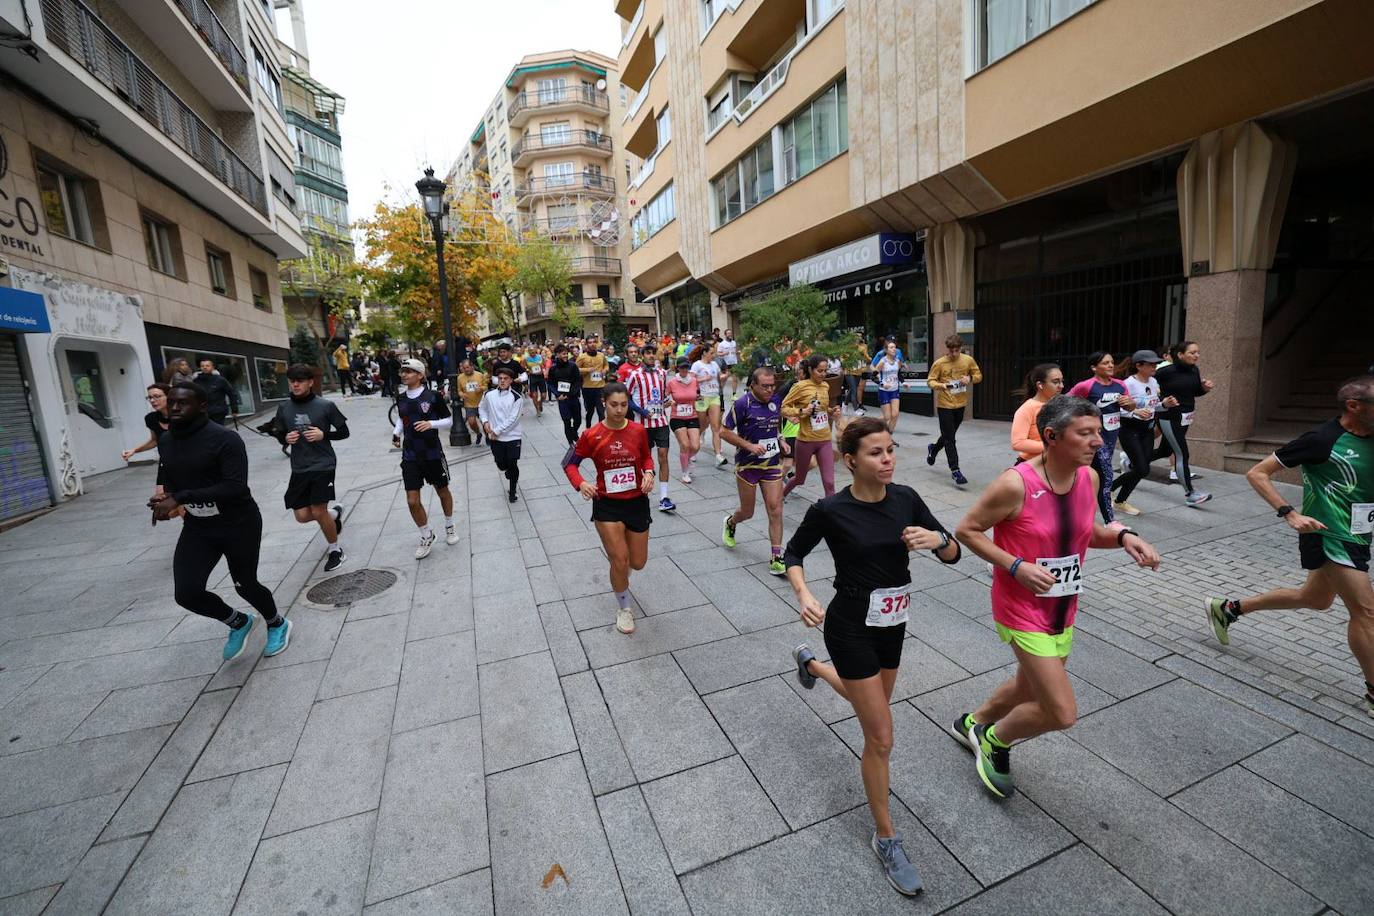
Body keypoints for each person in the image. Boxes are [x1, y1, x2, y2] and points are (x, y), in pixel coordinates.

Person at [953, 395, 1161, 798]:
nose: (1098, 441)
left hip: (1063, 606)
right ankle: (994, 739)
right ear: (1051, 436)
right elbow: (967, 530)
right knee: (1061, 712)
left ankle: (971, 723)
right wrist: (1016, 566)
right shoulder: (1015, 483)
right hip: (1021, 607)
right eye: (1085, 433)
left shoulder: (1090, 478)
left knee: (1027, 688)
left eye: (1098, 432)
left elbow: (1084, 534)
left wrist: (1124, 536)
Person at [787, 417, 961, 896]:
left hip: (893, 623)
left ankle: (813, 667)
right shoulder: (830, 509)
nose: (887, 460)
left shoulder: (906, 498)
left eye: (890, 450)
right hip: (849, 625)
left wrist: (939, 541)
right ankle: (886, 837)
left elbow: (954, 553)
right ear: (850, 461)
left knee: (875, 709)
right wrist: (803, 593)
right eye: (875, 453)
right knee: (880, 736)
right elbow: (793, 554)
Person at [1205, 375, 1374, 716]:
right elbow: (1257, 473)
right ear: (1354, 407)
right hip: (1328, 534)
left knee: (1314, 598)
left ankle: (1228, 609)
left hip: (1358, 534)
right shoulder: (1322, 439)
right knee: (1367, 612)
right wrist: (1289, 513)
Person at [150, 381, 292, 660]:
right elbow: (170, 475)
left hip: (238, 522)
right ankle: (238, 622)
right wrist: (164, 501)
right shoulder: (166, 440)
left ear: (202, 406)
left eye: (183, 402)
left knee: (245, 584)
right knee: (187, 593)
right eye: (172, 401)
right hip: (198, 526)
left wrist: (181, 496)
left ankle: (277, 623)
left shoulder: (225, 439)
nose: (174, 407)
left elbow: (235, 487)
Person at [562, 383, 656, 634]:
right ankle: (624, 608)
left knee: (637, 562)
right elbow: (569, 464)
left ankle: (620, 577)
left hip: (637, 502)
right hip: (607, 505)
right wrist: (580, 483)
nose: (619, 410)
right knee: (619, 559)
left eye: (624, 405)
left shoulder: (638, 431)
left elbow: (647, 457)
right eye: (614, 404)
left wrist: (649, 472)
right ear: (604, 403)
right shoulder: (591, 435)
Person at [276, 364, 349, 572]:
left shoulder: (325, 406)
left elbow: (344, 432)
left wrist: (323, 435)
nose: (295, 384)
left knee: (318, 510)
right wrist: (285, 438)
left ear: (310, 382)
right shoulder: (283, 408)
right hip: (299, 467)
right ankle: (334, 514)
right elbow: (280, 432)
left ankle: (335, 550)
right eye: (292, 381)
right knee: (302, 516)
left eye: (299, 380)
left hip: (323, 464)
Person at [721, 366, 790, 574]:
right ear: (753, 385)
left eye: (772, 386)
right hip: (748, 465)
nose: (770, 390)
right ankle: (731, 522)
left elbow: (775, 426)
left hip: (771, 464)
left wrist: (781, 440)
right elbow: (723, 432)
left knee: (775, 509)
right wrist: (749, 446)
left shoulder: (775, 401)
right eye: (765, 386)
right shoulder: (742, 404)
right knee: (747, 512)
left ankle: (776, 557)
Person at [392, 357, 459, 558]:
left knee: (442, 491)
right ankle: (427, 533)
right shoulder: (401, 398)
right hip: (410, 454)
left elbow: (449, 420)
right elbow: (402, 418)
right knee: (412, 500)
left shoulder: (433, 396)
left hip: (432, 453)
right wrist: (397, 433)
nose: (404, 374)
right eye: (403, 371)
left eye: (409, 371)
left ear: (420, 375)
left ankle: (449, 524)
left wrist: (431, 424)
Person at [1067, 352, 1135, 525]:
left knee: (1085, 477)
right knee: (1106, 477)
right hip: (1093, 440)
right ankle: (1110, 521)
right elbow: (1065, 401)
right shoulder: (1086, 386)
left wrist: (1129, 404)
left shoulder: (1120, 385)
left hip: (1111, 438)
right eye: (1105, 363)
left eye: (1112, 362)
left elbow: (1131, 406)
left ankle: (1072, 510)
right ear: (1094, 367)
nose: (1111, 365)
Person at [1110, 349, 1178, 517]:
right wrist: (1135, 413)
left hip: (1147, 430)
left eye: (1155, 363)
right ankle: (1108, 490)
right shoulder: (1127, 384)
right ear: (1139, 366)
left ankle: (1118, 501)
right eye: (1151, 364)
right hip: (1129, 429)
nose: (1155, 366)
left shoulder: (1154, 382)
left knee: (1142, 469)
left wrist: (1165, 404)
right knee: (1142, 468)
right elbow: (1116, 409)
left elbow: (1154, 406)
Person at [1152, 341, 1214, 507]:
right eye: (1192, 352)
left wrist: (1204, 389)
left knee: (1165, 450)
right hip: (1169, 417)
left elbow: (1194, 392)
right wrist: (1161, 400)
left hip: (1186, 416)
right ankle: (1190, 493)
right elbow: (1147, 388)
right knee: (1182, 454)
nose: (1197, 355)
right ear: (1180, 355)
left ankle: (1132, 461)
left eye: (1198, 352)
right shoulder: (1164, 371)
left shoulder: (1194, 370)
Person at [782, 355, 840, 499]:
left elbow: (823, 409)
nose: (823, 374)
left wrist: (832, 411)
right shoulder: (800, 386)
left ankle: (831, 517)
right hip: (806, 441)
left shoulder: (825, 386)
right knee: (799, 479)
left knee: (829, 483)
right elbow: (783, 407)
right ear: (810, 370)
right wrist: (801, 411)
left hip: (824, 439)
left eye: (825, 370)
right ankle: (781, 495)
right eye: (820, 371)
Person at [926, 335, 982, 485]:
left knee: (948, 435)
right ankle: (955, 470)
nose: (954, 354)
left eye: (957, 351)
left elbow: (978, 375)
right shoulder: (939, 363)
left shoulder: (967, 360)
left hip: (960, 403)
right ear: (948, 350)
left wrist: (969, 379)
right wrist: (942, 386)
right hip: (944, 405)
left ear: (960, 349)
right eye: (951, 351)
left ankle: (934, 448)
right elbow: (930, 381)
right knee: (950, 438)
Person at [626, 345, 675, 511]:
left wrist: (667, 401)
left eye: (653, 353)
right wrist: (641, 411)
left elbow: (662, 395)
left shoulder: (662, 374)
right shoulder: (635, 375)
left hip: (661, 421)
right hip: (643, 424)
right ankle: (642, 492)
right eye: (648, 353)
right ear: (642, 356)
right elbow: (626, 398)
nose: (651, 356)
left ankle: (664, 497)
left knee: (663, 455)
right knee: (644, 459)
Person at [479, 365, 525, 503]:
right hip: (494, 438)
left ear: (511, 380)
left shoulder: (517, 398)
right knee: (501, 464)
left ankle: (512, 491)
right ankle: (507, 472)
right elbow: (482, 409)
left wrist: (497, 430)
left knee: (512, 463)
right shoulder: (488, 394)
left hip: (512, 437)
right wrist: (485, 422)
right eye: (500, 378)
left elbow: (513, 419)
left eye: (506, 379)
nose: (502, 381)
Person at [1010, 364, 1063, 462]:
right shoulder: (1027, 409)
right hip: (1034, 464)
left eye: (1061, 381)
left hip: (1057, 463)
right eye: (1056, 382)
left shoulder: (1061, 404)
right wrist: (1053, 446)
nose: (1061, 386)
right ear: (1040, 385)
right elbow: (1018, 443)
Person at [691, 342, 729, 467]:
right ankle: (694, 449)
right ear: (704, 353)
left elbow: (718, 379)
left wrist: (724, 378)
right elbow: (691, 381)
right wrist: (703, 379)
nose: (713, 355)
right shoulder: (697, 365)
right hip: (702, 397)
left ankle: (718, 455)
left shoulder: (715, 365)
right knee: (702, 425)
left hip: (714, 397)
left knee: (715, 426)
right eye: (711, 353)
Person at [667, 357, 702, 483]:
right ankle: (685, 473)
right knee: (685, 445)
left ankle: (688, 458)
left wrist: (699, 398)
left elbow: (697, 394)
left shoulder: (694, 381)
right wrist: (669, 402)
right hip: (677, 417)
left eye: (686, 367)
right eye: (682, 367)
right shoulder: (672, 382)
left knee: (696, 446)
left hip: (692, 415)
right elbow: (664, 397)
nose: (684, 370)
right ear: (677, 368)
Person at [123, 383, 171, 463]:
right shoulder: (151, 418)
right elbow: (155, 440)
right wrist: (134, 450)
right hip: (167, 462)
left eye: (157, 396)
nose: (152, 400)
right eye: (150, 397)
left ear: (169, 397)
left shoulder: (183, 416)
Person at [549, 344, 583, 446]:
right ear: (557, 354)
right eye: (563, 354)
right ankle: (570, 442)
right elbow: (550, 383)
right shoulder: (553, 369)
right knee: (566, 421)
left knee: (578, 420)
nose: (565, 356)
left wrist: (571, 393)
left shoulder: (573, 366)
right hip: (562, 399)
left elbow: (578, 381)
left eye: (566, 354)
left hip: (573, 397)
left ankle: (574, 432)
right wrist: (557, 394)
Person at [194, 359, 240, 426]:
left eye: (207, 365)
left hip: (218, 412)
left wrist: (234, 410)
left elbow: (231, 394)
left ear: (212, 367)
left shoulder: (220, 380)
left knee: (217, 431)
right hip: (203, 413)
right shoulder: (196, 381)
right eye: (202, 366)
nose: (205, 367)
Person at [577, 336, 610, 430]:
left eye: (594, 342)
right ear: (586, 345)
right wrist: (587, 370)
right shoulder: (582, 357)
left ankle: (601, 431)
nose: (592, 344)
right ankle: (588, 427)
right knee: (590, 411)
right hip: (588, 388)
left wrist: (605, 370)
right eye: (590, 342)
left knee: (601, 411)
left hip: (601, 387)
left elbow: (606, 365)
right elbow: (576, 369)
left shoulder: (601, 355)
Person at [872, 340, 903, 434]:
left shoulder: (897, 361)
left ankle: (889, 435)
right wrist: (882, 384)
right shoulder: (882, 362)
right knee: (887, 417)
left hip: (894, 390)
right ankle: (872, 424)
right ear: (886, 350)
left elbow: (899, 374)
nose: (894, 349)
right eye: (891, 347)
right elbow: (873, 376)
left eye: (895, 347)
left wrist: (903, 382)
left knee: (895, 414)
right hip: (884, 391)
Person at [456, 358, 488, 445]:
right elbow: (459, 390)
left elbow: (486, 386)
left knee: (484, 421)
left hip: (481, 403)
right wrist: (461, 394)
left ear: (472, 366)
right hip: (469, 403)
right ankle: (478, 433)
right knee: (471, 422)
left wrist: (480, 388)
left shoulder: (480, 375)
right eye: (464, 368)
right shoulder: (460, 378)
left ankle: (488, 436)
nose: (466, 369)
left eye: (468, 367)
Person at [523, 343, 548, 416]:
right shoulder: (526, 359)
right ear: (528, 352)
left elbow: (544, 365)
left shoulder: (540, 357)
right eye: (531, 352)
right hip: (533, 377)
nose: (532, 353)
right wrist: (528, 370)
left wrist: (543, 370)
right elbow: (523, 367)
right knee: (534, 395)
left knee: (543, 396)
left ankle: (540, 403)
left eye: (534, 352)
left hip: (540, 377)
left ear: (536, 351)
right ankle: (537, 410)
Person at [718, 329, 740, 399]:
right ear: (725, 335)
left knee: (735, 379)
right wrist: (724, 353)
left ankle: (734, 395)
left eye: (730, 333)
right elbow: (718, 353)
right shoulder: (722, 344)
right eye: (728, 333)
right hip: (726, 364)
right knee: (724, 379)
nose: (730, 335)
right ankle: (720, 393)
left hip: (734, 363)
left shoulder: (734, 342)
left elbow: (735, 351)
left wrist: (737, 352)